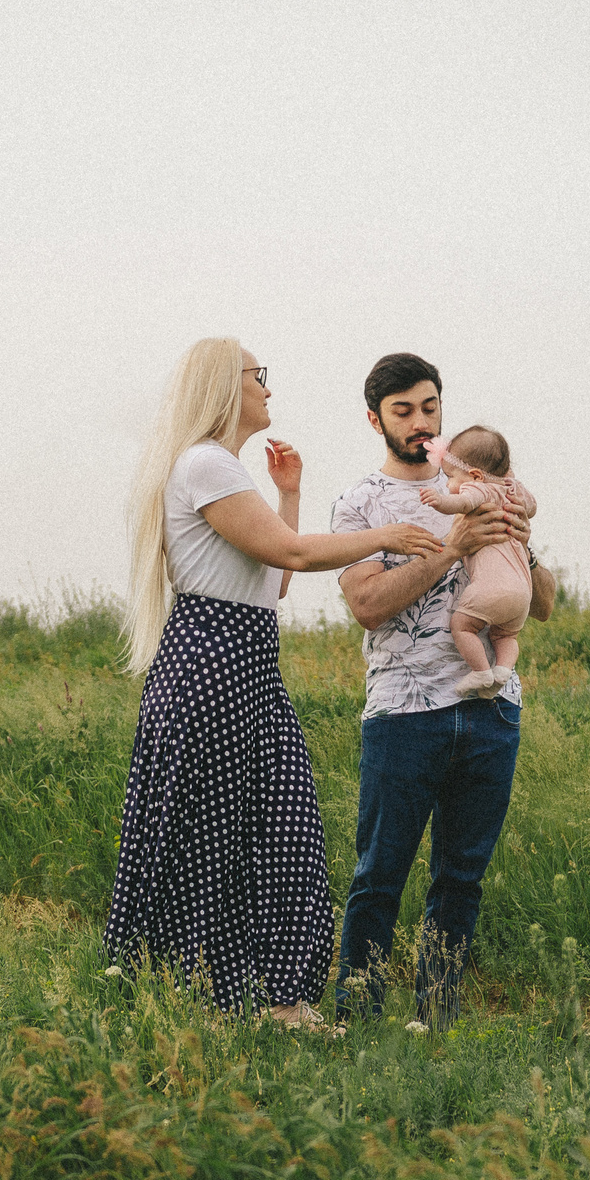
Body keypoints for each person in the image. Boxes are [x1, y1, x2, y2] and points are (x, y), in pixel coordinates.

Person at [105, 337, 445, 1028]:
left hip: (248, 662)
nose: (267, 386)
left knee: (275, 827)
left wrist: (289, 494)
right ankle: (214, 997)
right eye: (258, 375)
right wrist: (393, 536)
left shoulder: (224, 470)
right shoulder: (203, 464)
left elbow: (277, 579)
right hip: (214, 662)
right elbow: (290, 554)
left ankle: (270, 998)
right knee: (217, 833)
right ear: (226, 387)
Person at [329, 353, 554, 1029]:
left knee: (461, 879)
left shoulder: (486, 483)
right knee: (379, 876)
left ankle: (438, 1019)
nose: (421, 421)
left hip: (490, 712)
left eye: (430, 407)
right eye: (404, 410)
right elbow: (368, 604)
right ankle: (358, 1018)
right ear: (376, 420)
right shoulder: (358, 503)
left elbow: (542, 605)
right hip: (404, 714)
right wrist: (451, 547)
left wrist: (524, 540)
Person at [418, 425, 539, 696]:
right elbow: (531, 506)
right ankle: (503, 670)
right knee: (506, 635)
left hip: (490, 589)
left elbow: (461, 502)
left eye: (449, 477)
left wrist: (439, 501)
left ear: (474, 475)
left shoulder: (480, 490)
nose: (448, 484)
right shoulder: (512, 489)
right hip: (522, 593)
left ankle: (482, 672)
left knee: (461, 625)